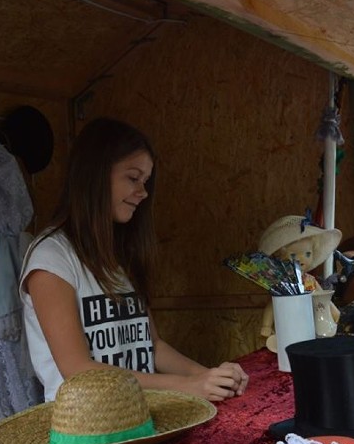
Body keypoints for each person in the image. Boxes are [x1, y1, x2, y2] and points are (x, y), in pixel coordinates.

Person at [20, 117, 248, 402]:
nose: (143, 192)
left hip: (138, 418)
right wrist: (188, 386)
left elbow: (153, 345)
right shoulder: (51, 258)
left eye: (146, 181)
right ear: (95, 174)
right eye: (132, 177)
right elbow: (78, 370)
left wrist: (211, 377)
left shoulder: (119, 253)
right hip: (86, 434)